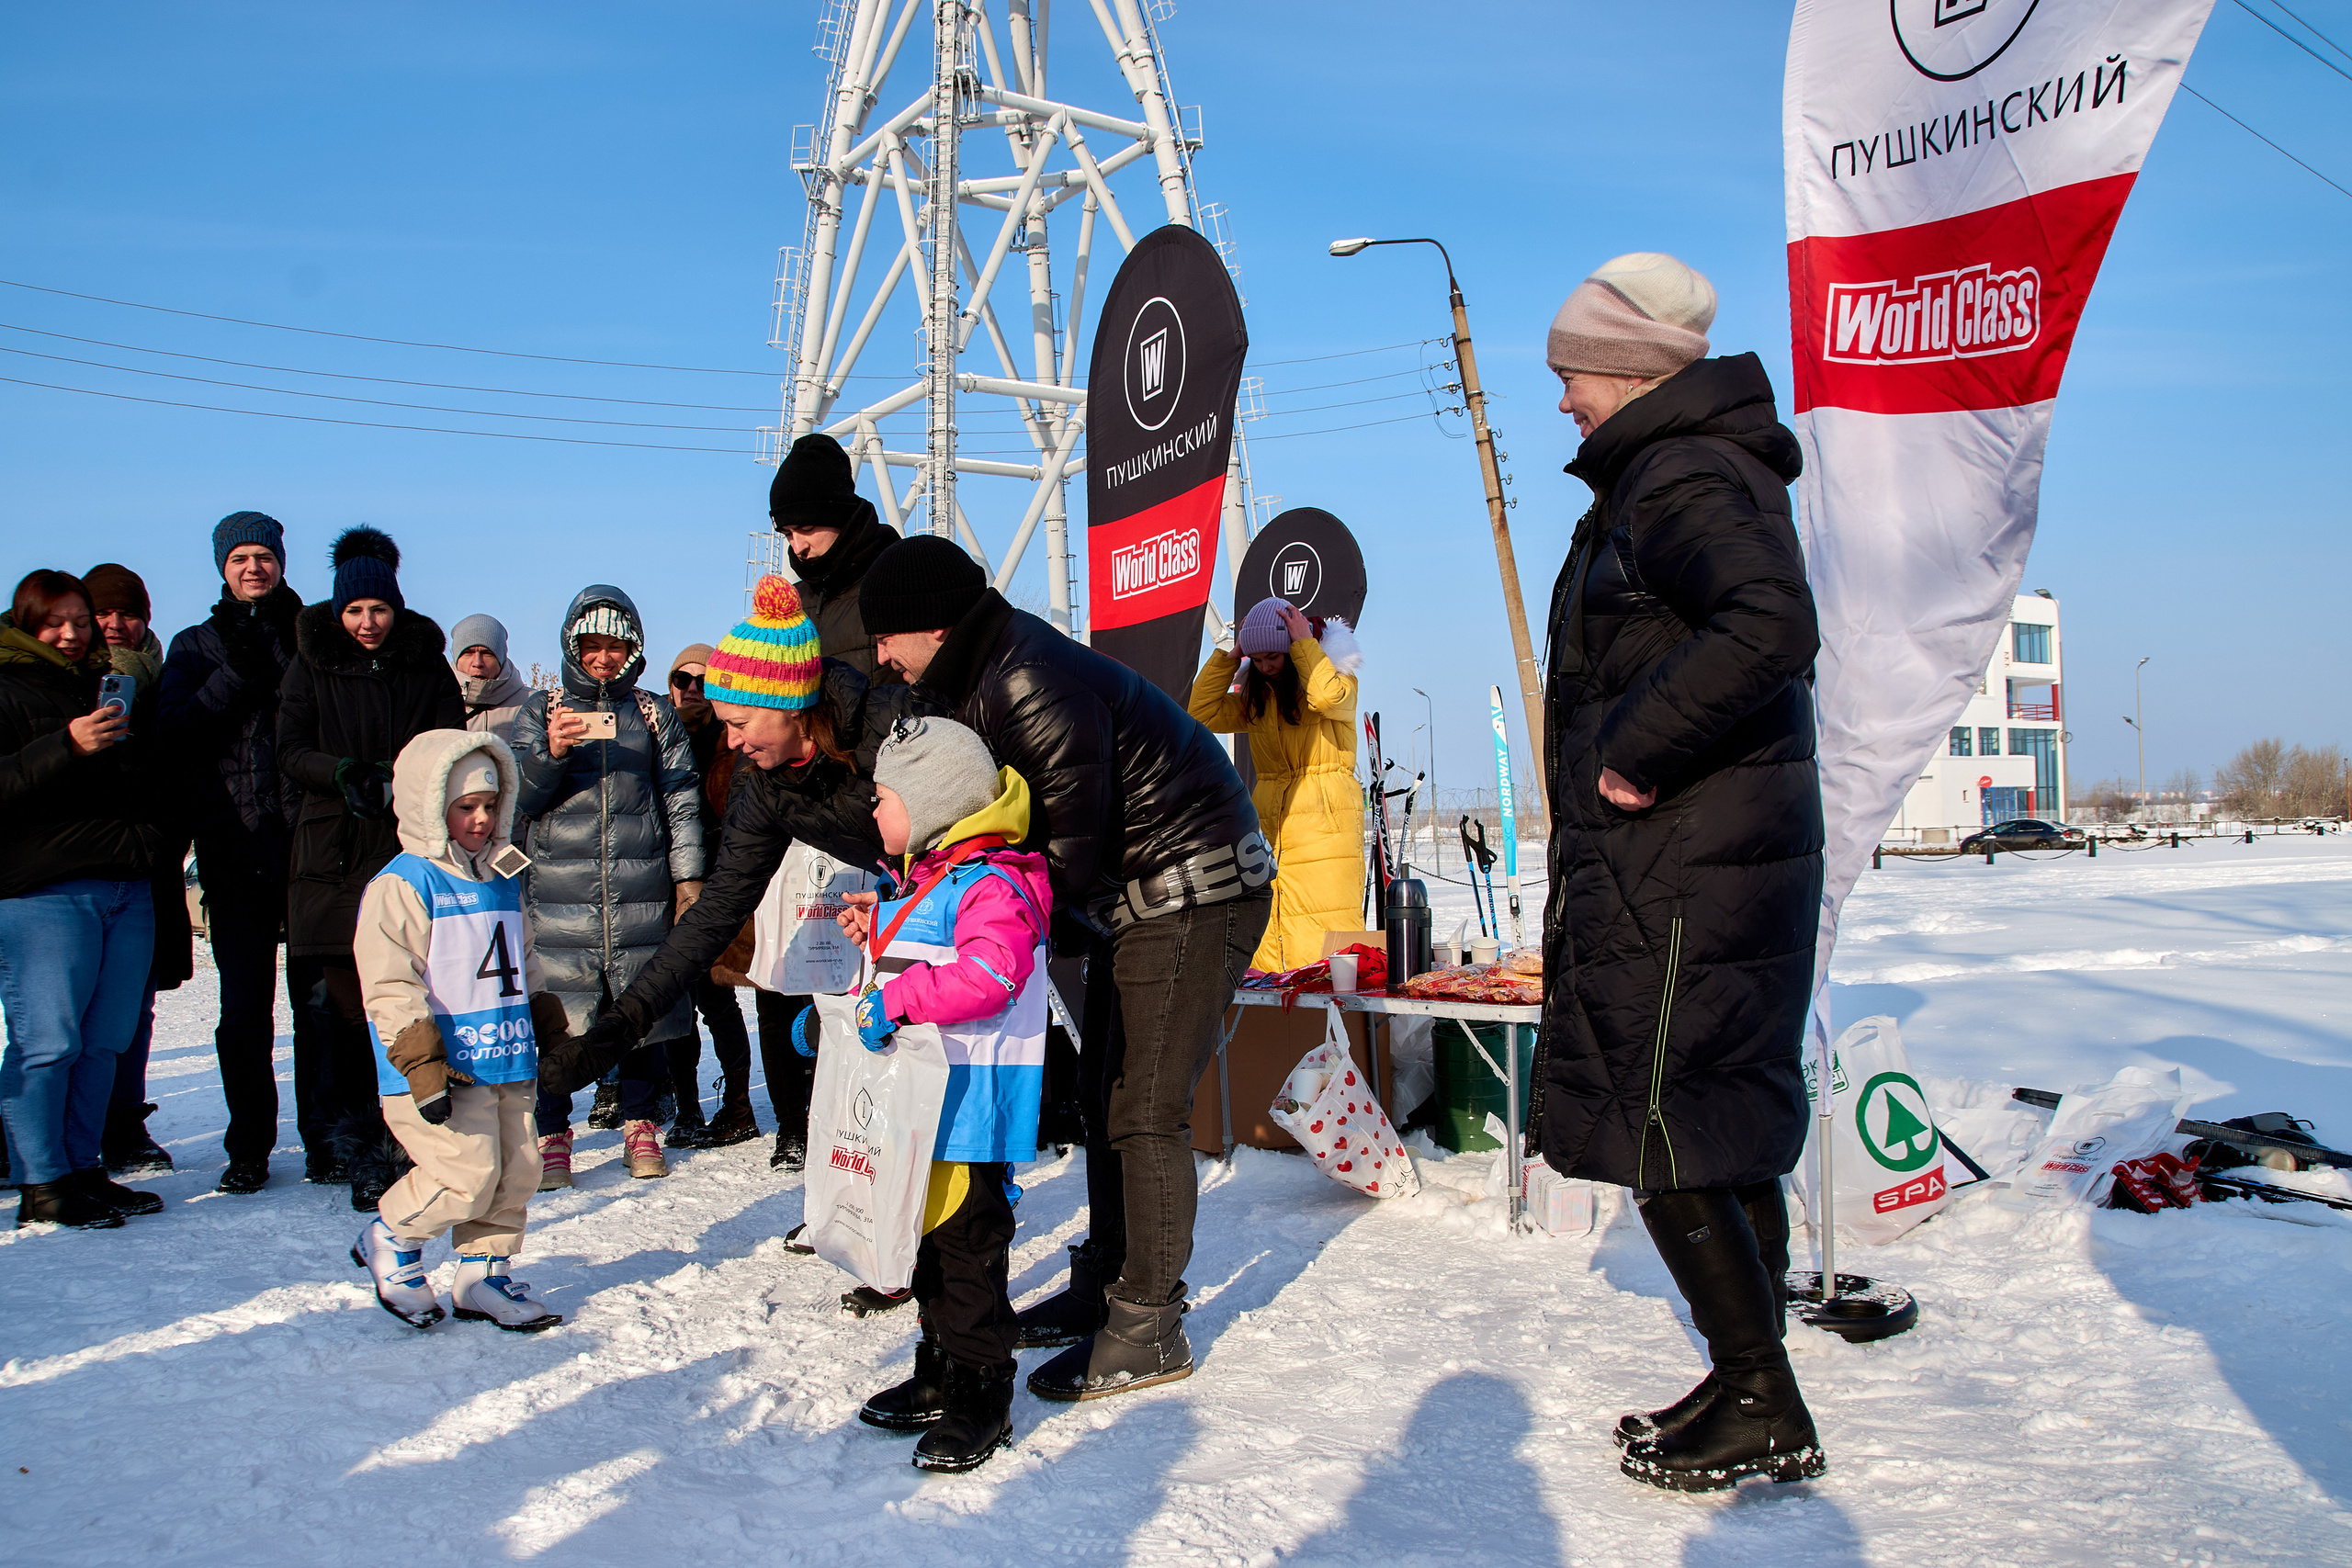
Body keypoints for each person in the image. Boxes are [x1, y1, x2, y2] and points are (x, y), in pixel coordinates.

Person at [1534, 252, 1826, 1492]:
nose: (1563, 401)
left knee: (1656, 1118)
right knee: (1703, 1115)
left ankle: (1762, 1392)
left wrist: (1631, 756)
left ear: (1633, 367)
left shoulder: (1683, 470)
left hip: (1684, 861)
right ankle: (1742, 1368)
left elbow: (1769, 620)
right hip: (1700, 856)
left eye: (1571, 374)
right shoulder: (1679, 470)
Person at [857, 536, 1272, 1403]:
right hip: (1141, 895)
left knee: (1145, 1108)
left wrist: (986, 944)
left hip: (1195, 884)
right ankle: (1107, 1279)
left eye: (885, 638)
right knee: (1101, 1097)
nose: (882, 660)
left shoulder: (1025, 677)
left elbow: (1066, 851)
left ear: (930, 626)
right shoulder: (983, 673)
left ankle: (1149, 1321)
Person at [536, 578, 921, 1183]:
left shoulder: (888, 726)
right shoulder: (761, 782)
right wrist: (615, 1031)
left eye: (740, 722)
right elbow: (713, 915)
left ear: (790, 705)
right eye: (724, 723)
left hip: (972, 911)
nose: (733, 741)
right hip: (901, 916)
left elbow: (972, 822)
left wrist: (920, 894)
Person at [831, 716, 1048, 1472]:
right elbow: (918, 964)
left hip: (969, 1112)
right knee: (923, 1250)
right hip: (920, 1111)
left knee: (966, 1256)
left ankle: (982, 1390)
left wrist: (897, 1000)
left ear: (931, 806)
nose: (872, 810)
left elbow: (990, 975)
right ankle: (940, 1368)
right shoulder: (932, 879)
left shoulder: (995, 884)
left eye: (883, 796)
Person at [347, 728, 564, 1332]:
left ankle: (482, 1274)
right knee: (464, 1173)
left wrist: (546, 1019)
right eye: (465, 806)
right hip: (444, 1064)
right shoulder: (405, 882)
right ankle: (391, 1237)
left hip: (506, 1053)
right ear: (429, 805)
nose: (481, 818)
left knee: (518, 1169)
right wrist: (420, 1062)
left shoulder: (500, 875)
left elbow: (523, 955)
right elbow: (389, 982)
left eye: (491, 805)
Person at [277, 525, 465, 1211]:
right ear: (338, 611)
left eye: (377, 610)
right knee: (339, 1011)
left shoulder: (424, 661)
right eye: (355, 611)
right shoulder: (311, 662)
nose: (366, 623)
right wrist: (343, 772)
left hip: (408, 851)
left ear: (395, 608)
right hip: (330, 857)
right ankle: (346, 1143)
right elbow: (289, 747)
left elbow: (454, 744)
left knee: (411, 1003)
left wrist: (415, 783)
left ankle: (413, 1139)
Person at [159, 511, 331, 1191]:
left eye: (264, 555)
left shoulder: (312, 633)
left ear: (282, 561)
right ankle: (249, 1145)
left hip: (308, 843)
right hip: (232, 845)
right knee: (244, 1008)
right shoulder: (196, 644)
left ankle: (326, 1136)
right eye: (240, 558)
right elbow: (176, 733)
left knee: (318, 1001)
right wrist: (236, 670)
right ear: (222, 567)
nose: (253, 567)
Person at [513, 586, 703, 1185]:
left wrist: (688, 876)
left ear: (633, 649)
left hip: (640, 885)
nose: (602, 657)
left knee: (640, 1008)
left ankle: (640, 1120)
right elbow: (520, 796)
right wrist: (551, 750)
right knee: (558, 1019)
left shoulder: (652, 713)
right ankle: (551, 1131)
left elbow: (681, 797)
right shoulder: (538, 710)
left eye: (614, 645)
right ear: (572, 644)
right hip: (557, 894)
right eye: (591, 644)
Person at [0, 570, 166, 1230]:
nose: (71, 632)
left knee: (104, 1040)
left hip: (124, 881)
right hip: (44, 889)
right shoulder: (6, 687)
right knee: (48, 1041)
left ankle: (83, 1165)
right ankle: (41, 1180)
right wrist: (66, 744)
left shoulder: (104, 686)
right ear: (25, 622)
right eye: (55, 620)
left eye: (80, 618)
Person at [83, 563, 194, 1178]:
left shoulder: (161, 680)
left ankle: (123, 1122)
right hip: (70, 866)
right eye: (104, 613)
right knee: (58, 1011)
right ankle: (47, 1130)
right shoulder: (64, 683)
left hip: (147, 863)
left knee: (134, 1004)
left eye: (129, 613)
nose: (117, 624)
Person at [1186, 596, 1365, 972]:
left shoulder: (1340, 679)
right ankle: (1278, 1019)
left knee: (1323, 926)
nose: (1266, 667)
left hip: (1324, 818)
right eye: (1259, 659)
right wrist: (1231, 657)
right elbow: (1201, 713)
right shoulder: (1259, 696)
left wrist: (1303, 645)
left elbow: (1325, 696)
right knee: (1271, 919)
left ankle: (1334, 1018)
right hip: (1270, 816)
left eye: (1274, 656)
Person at [659, 642, 762, 1152]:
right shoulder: (655, 732)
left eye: (705, 681)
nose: (693, 689)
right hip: (665, 884)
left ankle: (739, 1105)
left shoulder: (734, 739)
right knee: (677, 1005)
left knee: (719, 1003)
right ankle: (685, 1107)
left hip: (722, 885)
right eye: (683, 679)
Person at [772, 433, 902, 682]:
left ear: (840, 518)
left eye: (807, 529)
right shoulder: (791, 602)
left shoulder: (901, 581)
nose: (798, 547)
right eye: (787, 534)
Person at [450, 613, 530, 748]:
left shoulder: (533, 704)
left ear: (501, 659)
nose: (477, 662)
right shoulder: (432, 703)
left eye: (487, 653)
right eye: (468, 652)